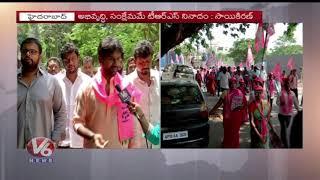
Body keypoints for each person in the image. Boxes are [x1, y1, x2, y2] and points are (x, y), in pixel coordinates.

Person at [72, 37, 142, 149]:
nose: (116, 64)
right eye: (111, 59)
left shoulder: (125, 87)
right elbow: (77, 123)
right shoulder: (86, 89)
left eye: (118, 59)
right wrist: (92, 136)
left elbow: (132, 122)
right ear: (100, 60)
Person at [17, 38, 66, 148]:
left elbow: (61, 112)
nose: (28, 54)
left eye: (33, 52)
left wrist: (55, 140)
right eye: (25, 51)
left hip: (42, 149)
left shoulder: (51, 82)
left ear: (40, 55)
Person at [124, 40, 160, 149]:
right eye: (141, 63)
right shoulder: (126, 83)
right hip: (137, 145)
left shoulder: (159, 78)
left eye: (147, 62)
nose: (145, 66)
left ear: (151, 59)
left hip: (157, 144)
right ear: (134, 61)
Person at [55, 43, 92, 148]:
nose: (70, 63)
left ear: (78, 59)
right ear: (62, 62)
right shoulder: (55, 82)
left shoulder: (89, 82)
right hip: (60, 143)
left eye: (73, 58)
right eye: (66, 60)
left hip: (82, 142)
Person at [209, 77, 247, 148]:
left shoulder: (226, 92)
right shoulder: (240, 93)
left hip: (228, 117)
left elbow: (218, 104)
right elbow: (244, 106)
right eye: (232, 83)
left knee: (228, 132)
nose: (232, 84)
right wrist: (243, 117)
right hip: (236, 117)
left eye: (232, 83)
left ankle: (227, 145)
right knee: (235, 133)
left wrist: (211, 111)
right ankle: (235, 146)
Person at [276, 77, 301, 148]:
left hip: (289, 115)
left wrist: (299, 111)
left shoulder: (292, 93)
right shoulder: (280, 93)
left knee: (288, 130)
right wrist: (281, 103)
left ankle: (287, 142)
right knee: (283, 130)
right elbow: (277, 102)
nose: (288, 85)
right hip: (281, 115)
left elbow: (296, 105)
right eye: (286, 84)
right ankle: (283, 143)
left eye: (288, 83)